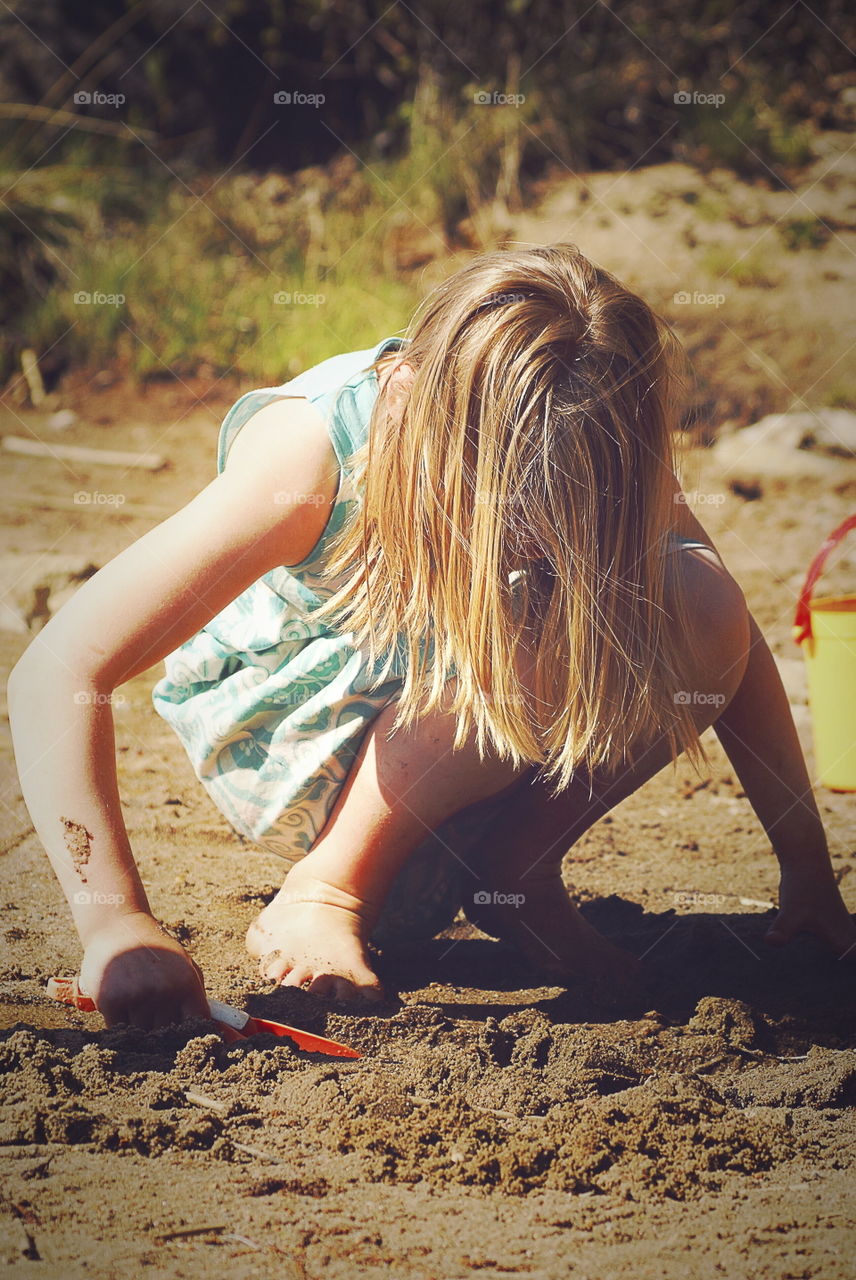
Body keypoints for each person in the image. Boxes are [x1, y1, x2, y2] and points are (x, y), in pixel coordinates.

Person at [8, 244, 854, 1029]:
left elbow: (722, 637)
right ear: (410, 395)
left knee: (694, 589)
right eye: (509, 509)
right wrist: (116, 925)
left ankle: (519, 868)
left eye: (559, 516)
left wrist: (807, 871)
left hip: (470, 721)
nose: (532, 535)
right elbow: (64, 665)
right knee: (517, 642)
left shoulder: (594, 430)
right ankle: (329, 890)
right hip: (304, 708)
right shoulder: (308, 457)